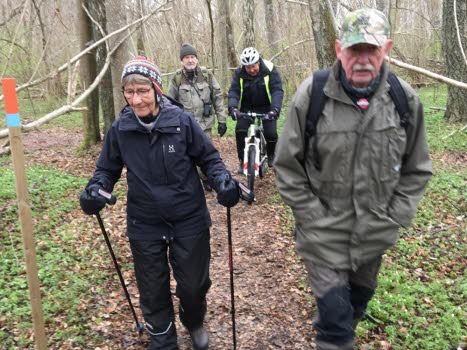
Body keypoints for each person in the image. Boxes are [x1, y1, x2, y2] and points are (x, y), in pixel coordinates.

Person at [274, 8, 432, 350]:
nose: (362, 59)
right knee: (337, 330)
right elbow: (287, 165)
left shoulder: (404, 100)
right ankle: (332, 327)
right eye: (353, 50)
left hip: (373, 235)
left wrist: (394, 217)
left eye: (370, 50)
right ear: (337, 49)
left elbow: (417, 168)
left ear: (386, 49)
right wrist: (313, 216)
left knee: (356, 304)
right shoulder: (312, 95)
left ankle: (338, 317)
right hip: (322, 237)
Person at [79, 56, 240, 350]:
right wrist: (95, 190)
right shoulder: (121, 128)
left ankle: (193, 321)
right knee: (152, 290)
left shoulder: (181, 121)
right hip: (145, 222)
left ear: (156, 88)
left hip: (188, 218)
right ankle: (163, 340)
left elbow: (209, 159)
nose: (136, 99)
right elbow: (106, 170)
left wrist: (222, 182)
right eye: (129, 92)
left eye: (142, 90)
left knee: (193, 286)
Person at [167, 43, 228, 191]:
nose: (190, 60)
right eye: (187, 57)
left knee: (205, 154)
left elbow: (217, 97)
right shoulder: (176, 78)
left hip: (204, 125)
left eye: (193, 57)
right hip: (184, 126)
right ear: (182, 60)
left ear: (197, 59)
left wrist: (222, 120)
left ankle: (207, 179)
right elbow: (169, 103)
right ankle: (190, 181)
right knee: (185, 156)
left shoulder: (206, 75)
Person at [227, 47, 284, 173]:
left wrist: (275, 109)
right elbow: (234, 91)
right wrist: (233, 108)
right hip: (247, 108)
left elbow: (277, 90)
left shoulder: (269, 69)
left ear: (258, 62)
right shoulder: (239, 72)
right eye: (248, 67)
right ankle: (243, 160)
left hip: (267, 107)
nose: (251, 70)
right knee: (240, 130)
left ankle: (271, 155)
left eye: (254, 66)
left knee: (271, 134)